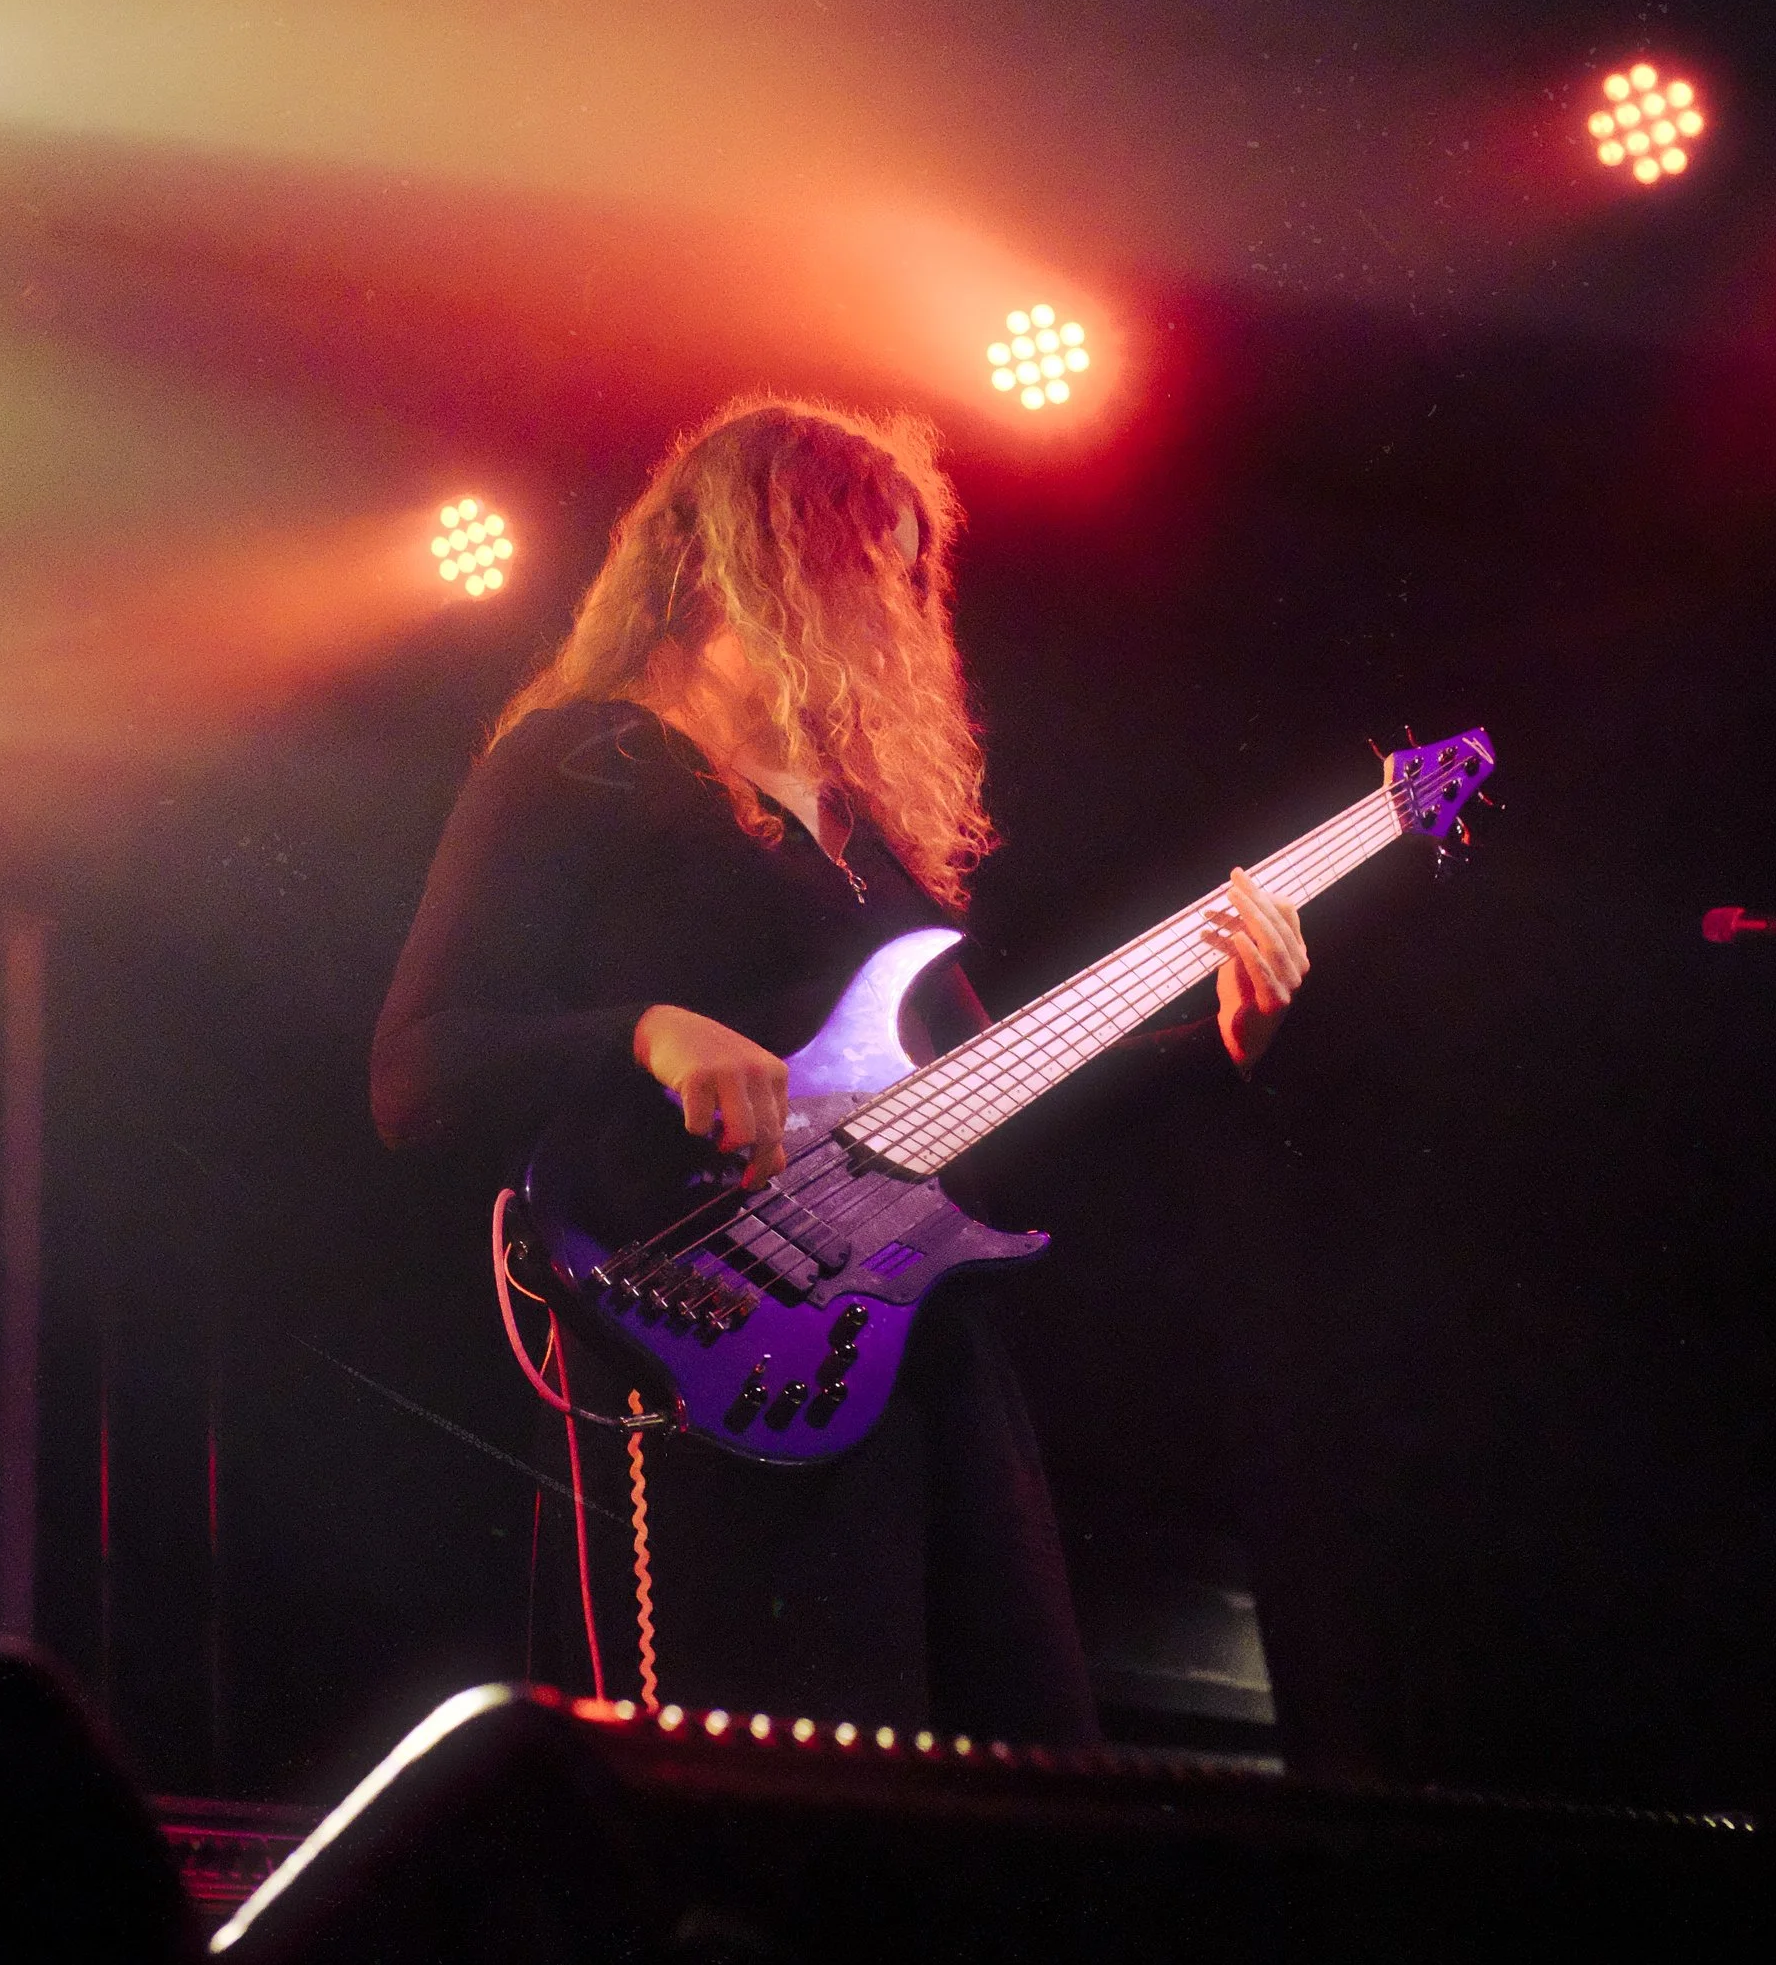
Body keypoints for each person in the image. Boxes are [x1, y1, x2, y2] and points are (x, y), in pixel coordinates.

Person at [372, 395, 1308, 1741]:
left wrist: (1219, 1038)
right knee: (769, 1795)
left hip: (914, 1361)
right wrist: (648, 1029)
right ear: (736, 557)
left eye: (908, 570)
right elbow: (415, 1071)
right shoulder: (575, 764)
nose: (897, 604)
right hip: (696, 1357)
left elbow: (999, 1099)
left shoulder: (863, 837)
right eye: (864, 557)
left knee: (1013, 1765)